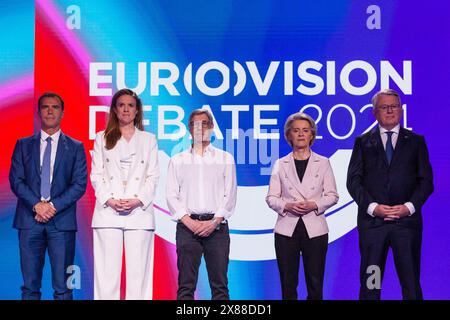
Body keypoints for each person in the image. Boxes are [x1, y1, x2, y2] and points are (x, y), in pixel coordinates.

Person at [347, 89, 434, 300]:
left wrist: (408, 208)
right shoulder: (363, 142)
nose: (390, 111)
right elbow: (353, 181)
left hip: (406, 227)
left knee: (410, 284)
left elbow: (426, 182)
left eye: (394, 106)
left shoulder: (415, 142)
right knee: (371, 285)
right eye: (384, 107)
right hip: (374, 228)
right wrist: (373, 208)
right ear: (375, 112)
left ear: (401, 110)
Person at [9, 92, 87, 300]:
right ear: (38, 112)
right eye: (45, 107)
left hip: (61, 224)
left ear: (62, 113)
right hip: (29, 221)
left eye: (55, 107)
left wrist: (51, 206)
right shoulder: (23, 144)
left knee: (64, 288)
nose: (50, 111)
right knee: (30, 287)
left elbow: (79, 184)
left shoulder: (76, 147)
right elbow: (16, 180)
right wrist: (37, 205)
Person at [90, 88, 159, 300]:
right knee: (106, 276)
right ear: (115, 110)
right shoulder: (102, 138)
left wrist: (138, 200)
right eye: (121, 105)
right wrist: (109, 200)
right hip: (107, 213)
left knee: (139, 277)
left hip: (139, 213)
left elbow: (153, 176)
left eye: (130, 105)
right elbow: (96, 175)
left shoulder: (148, 139)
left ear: (137, 110)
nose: (126, 109)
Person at [266, 112, 338, 300]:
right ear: (289, 135)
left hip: (314, 228)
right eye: (296, 130)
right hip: (286, 229)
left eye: (305, 130)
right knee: (288, 284)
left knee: (315, 283)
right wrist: (287, 205)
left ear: (312, 135)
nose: (300, 134)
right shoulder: (280, 164)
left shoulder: (323, 162)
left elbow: (332, 195)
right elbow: (271, 197)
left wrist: (314, 203)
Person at [166, 109, 237, 300]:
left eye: (205, 123)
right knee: (186, 287)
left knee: (220, 287)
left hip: (217, 229)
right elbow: (171, 196)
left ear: (212, 127)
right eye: (195, 124)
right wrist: (190, 222)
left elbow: (229, 195)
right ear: (189, 129)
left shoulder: (225, 158)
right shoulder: (177, 160)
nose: (200, 128)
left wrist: (213, 223)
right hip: (187, 229)